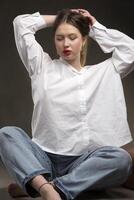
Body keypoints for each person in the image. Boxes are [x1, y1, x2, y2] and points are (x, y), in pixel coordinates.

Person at [0, 8, 134, 200]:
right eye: (60, 37)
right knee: (7, 134)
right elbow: (21, 24)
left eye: (72, 36)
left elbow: (131, 49)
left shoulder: (105, 71)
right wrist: (62, 19)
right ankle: (48, 190)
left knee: (121, 160)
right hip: (44, 159)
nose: (66, 43)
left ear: (84, 40)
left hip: (84, 162)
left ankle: (42, 185)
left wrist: (93, 26)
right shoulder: (41, 68)